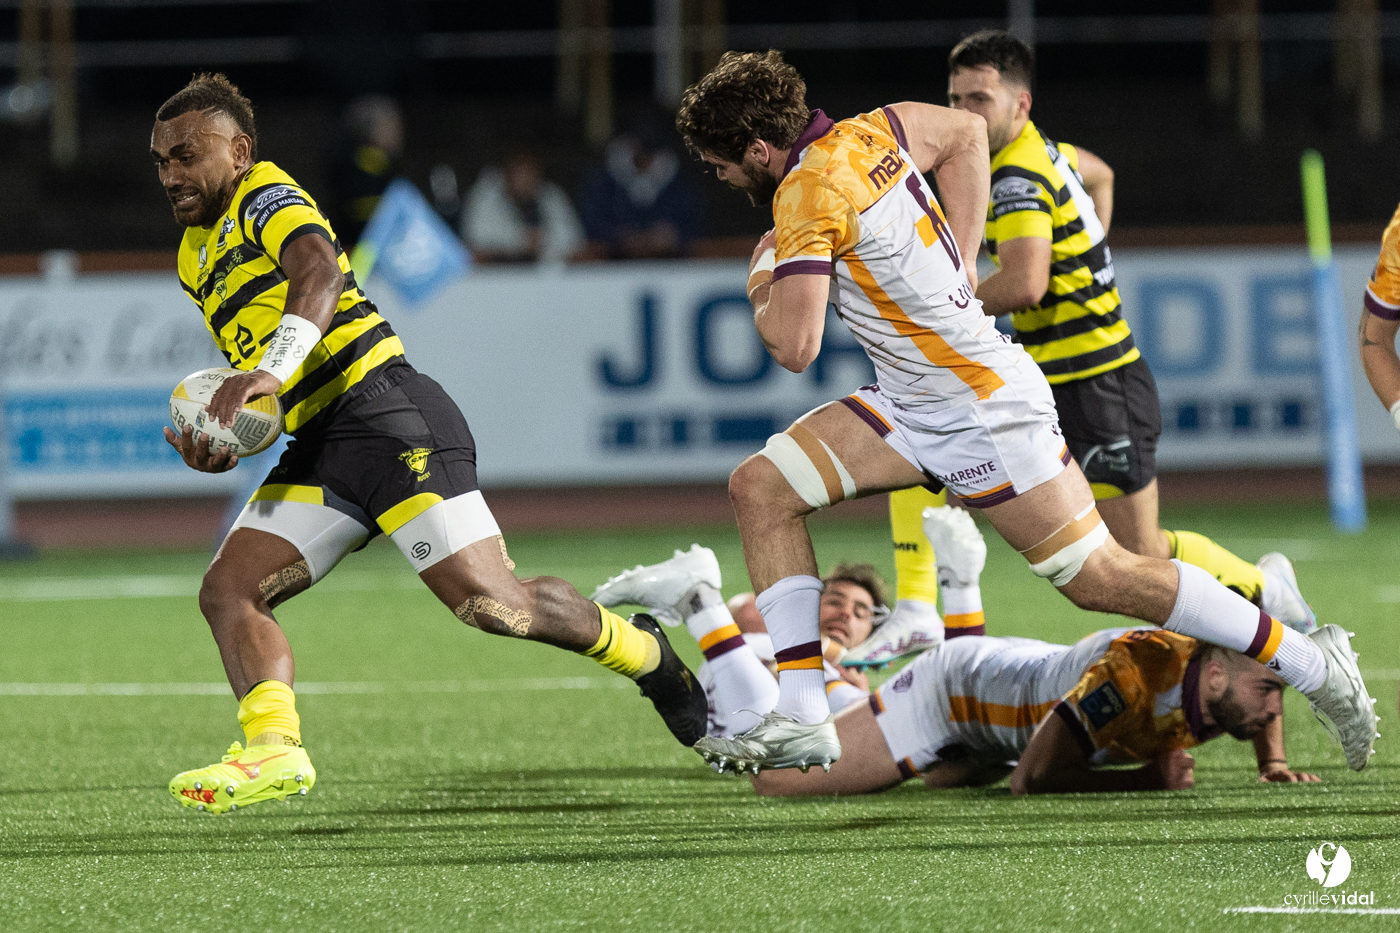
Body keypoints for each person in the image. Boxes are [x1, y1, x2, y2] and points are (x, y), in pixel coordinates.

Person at [673, 50, 1374, 774]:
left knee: (1103, 575)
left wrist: (761, 278)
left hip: (980, 408)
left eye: (719, 163)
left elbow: (794, 345)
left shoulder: (802, 195)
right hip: (915, 401)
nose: (719, 177)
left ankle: (1314, 663)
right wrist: (964, 259)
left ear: (758, 148)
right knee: (762, 488)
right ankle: (804, 711)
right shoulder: (876, 128)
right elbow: (967, 136)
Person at [149, 73, 706, 814]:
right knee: (228, 589)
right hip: (321, 443)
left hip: (388, 416)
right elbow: (269, 392)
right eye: (162, 161)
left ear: (240, 151)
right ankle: (273, 749)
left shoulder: (266, 196)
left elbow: (317, 271)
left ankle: (648, 654)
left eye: (187, 155)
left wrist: (269, 371)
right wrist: (229, 436)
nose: (171, 174)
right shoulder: (193, 256)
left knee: (491, 603)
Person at [941, 31, 1314, 641]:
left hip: (1098, 383)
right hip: (1061, 381)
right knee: (949, 473)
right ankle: (926, 614)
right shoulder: (1050, 152)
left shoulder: (1015, 177)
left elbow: (1026, 284)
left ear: (1020, 103)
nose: (964, 113)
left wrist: (939, 309)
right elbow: (1103, 176)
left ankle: (1262, 590)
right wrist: (1090, 247)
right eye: (955, 99)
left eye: (979, 99)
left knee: (1138, 554)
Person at [591, 513, 1319, 794]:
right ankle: (702, 603)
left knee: (953, 771)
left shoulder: (1225, 675)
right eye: (1270, 691)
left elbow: (1258, 684)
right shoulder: (1134, 677)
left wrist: (1273, 761)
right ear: (1214, 671)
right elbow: (1033, 778)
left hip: (1004, 684)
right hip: (950, 694)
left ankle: (957, 584)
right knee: (774, 780)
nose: (1271, 707)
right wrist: (1142, 783)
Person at [592, 544, 885, 738]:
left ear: (872, 634)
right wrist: (839, 656)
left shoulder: (851, 677)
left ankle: (698, 600)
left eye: (861, 612)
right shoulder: (777, 630)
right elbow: (747, 610)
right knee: (874, 721)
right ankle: (699, 597)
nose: (846, 614)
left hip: (730, 715)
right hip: (756, 665)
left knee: (781, 763)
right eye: (835, 602)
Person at [577, 112, 707, 260]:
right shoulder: (604, 179)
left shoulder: (678, 181)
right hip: (613, 265)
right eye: (640, 152)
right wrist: (620, 237)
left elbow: (697, 226)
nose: (645, 159)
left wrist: (674, 236)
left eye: (650, 153)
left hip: (669, 263)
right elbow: (587, 225)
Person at [462, 149, 585, 265]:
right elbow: (475, 245)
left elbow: (575, 245)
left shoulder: (551, 196)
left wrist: (543, 241)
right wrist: (520, 241)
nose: (526, 179)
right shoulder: (486, 197)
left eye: (531, 173)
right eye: (520, 173)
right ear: (507, 175)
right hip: (499, 271)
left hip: (545, 271)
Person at [326, 95, 403, 248]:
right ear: (375, 130)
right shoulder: (363, 168)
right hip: (361, 251)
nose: (399, 133)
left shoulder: (376, 164)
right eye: (393, 125)